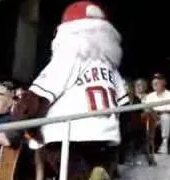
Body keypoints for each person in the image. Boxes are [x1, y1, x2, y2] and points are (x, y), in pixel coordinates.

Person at [14, 1, 129, 179]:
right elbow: (125, 104)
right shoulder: (111, 67)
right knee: (95, 169)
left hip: (69, 134)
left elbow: (40, 95)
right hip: (105, 134)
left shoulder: (69, 56)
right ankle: (99, 171)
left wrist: (23, 116)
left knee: (73, 173)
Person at [144, 73, 170, 154]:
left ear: (163, 83)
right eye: (153, 82)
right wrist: (154, 113)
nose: (155, 83)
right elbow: (146, 109)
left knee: (165, 116)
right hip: (153, 119)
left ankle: (164, 144)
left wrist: (156, 111)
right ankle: (146, 147)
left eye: (157, 82)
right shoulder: (149, 96)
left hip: (168, 120)